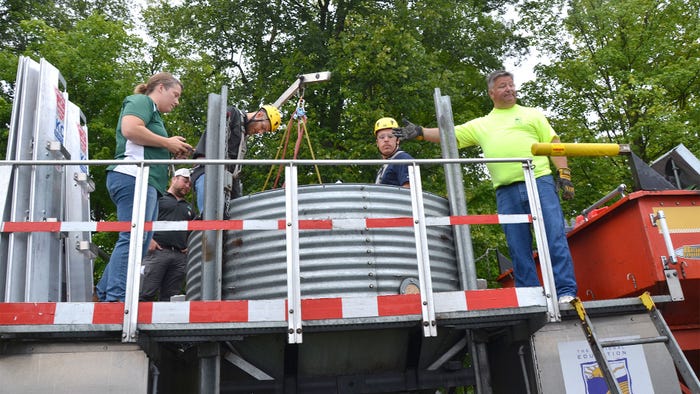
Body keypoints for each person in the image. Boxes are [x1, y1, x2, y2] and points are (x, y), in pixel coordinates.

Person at [394, 70, 577, 303]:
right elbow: (451, 134)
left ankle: (565, 291)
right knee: (517, 245)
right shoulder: (483, 124)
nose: (509, 89)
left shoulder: (532, 115)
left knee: (554, 235)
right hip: (506, 190)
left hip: (539, 180)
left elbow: (554, 143)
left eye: (511, 85)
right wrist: (420, 133)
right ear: (492, 93)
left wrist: (564, 174)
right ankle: (530, 296)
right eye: (503, 86)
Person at [96, 72, 193, 302]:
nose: (177, 101)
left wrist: (170, 153)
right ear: (160, 88)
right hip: (134, 177)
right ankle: (115, 300)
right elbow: (130, 129)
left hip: (146, 182)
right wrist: (167, 143)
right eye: (175, 94)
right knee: (132, 239)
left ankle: (102, 293)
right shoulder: (141, 101)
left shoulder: (154, 114)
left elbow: (145, 145)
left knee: (137, 242)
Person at [191, 104, 281, 212]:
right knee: (209, 215)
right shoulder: (233, 114)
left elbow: (233, 166)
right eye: (262, 127)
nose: (260, 132)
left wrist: (237, 196)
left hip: (226, 178)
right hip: (207, 170)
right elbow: (215, 131)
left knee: (236, 213)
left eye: (264, 131)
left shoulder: (243, 136)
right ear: (259, 114)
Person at [140, 168, 195, 301]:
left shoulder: (189, 208)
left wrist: (190, 245)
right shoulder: (158, 198)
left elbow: (193, 230)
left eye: (190, 185)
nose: (187, 186)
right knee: (145, 293)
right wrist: (149, 239)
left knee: (171, 298)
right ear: (174, 179)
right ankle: (137, 321)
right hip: (157, 252)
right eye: (185, 181)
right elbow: (142, 217)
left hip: (179, 257)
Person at [373, 117, 413, 187]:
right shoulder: (385, 165)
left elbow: (409, 191)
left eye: (390, 136)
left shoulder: (403, 159)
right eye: (382, 137)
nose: (386, 140)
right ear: (377, 143)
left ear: (397, 140)